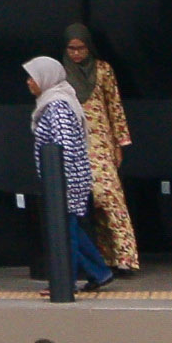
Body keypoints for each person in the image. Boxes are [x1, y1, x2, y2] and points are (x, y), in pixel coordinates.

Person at [25, 54, 112, 292]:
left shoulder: (57, 106)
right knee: (70, 227)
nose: (29, 82)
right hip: (66, 178)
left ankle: (66, 282)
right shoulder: (55, 101)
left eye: (32, 77)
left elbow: (63, 144)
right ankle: (100, 272)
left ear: (46, 78)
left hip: (65, 179)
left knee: (65, 231)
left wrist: (58, 181)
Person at [63, 23, 140, 278]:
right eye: (71, 48)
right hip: (74, 145)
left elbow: (114, 106)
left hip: (102, 144)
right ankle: (101, 258)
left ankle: (124, 257)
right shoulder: (61, 73)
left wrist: (120, 144)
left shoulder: (103, 70)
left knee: (110, 198)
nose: (76, 54)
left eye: (81, 48)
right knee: (84, 205)